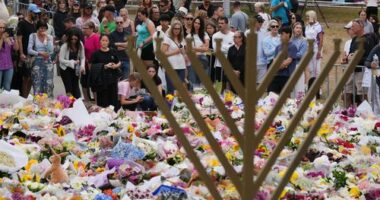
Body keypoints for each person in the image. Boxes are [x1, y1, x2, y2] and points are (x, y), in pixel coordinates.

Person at [344, 18, 377, 107]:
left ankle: (365, 114)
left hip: (362, 71)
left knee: (362, 94)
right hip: (351, 70)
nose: (352, 28)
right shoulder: (354, 39)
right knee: (347, 92)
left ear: (361, 26)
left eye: (354, 26)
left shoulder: (368, 39)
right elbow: (350, 53)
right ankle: (347, 112)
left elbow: (370, 57)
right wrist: (347, 58)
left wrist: (356, 59)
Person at [90, 34, 121, 110]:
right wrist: (104, 66)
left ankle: (114, 115)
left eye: (106, 40)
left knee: (113, 99)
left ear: (108, 42)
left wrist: (115, 66)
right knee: (103, 100)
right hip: (101, 81)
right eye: (103, 40)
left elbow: (119, 62)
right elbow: (92, 67)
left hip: (112, 79)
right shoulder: (96, 54)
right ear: (100, 42)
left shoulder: (113, 51)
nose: (104, 42)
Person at [16, 3, 40, 98]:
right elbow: (19, 38)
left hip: (33, 54)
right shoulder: (22, 23)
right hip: (25, 54)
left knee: (31, 77)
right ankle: (23, 97)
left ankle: (27, 97)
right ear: (30, 12)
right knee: (25, 77)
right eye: (35, 13)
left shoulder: (34, 24)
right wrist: (21, 53)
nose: (36, 15)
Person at [27, 21, 54, 97]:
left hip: (47, 61)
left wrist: (47, 39)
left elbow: (51, 50)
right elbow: (29, 50)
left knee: (49, 83)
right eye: (41, 28)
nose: (43, 30)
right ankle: (38, 103)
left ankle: (48, 103)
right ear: (38, 28)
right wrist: (40, 53)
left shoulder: (49, 37)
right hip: (37, 61)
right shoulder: (33, 36)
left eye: (45, 28)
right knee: (37, 83)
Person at [161, 20, 188, 94]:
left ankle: (179, 105)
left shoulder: (182, 39)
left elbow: (184, 52)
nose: (176, 30)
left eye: (178, 29)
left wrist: (184, 53)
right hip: (171, 66)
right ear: (172, 29)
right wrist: (175, 52)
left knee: (180, 89)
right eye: (175, 28)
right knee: (171, 89)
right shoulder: (167, 38)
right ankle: (169, 105)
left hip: (181, 66)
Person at [268, 26, 297, 94]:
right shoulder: (278, 47)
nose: (280, 36)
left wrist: (281, 65)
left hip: (286, 76)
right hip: (276, 75)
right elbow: (274, 61)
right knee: (271, 95)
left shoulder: (292, 46)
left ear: (288, 34)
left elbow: (288, 61)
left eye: (282, 34)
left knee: (285, 97)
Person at [59, 29, 85, 98]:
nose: (73, 41)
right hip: (65, 69)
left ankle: (77, 103)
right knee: (69, 88)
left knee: (76, 87)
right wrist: (71, 62)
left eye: (75, 39)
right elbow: (61, 59)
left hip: (75, 69)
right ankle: (70, 104)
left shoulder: (80, 44)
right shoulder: (65, 46)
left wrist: (82, 66)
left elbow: (82, 57)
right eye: (72, 39)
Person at [305, 10, 323, 99]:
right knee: (311, 70)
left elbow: (321, 39)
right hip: (308, 50)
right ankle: (311, 88)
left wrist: (319, 51)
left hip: (316, 49)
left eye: (308, 16)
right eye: (306, 17)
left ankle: (319, 90)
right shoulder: (307, 26)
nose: (307, 18)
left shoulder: (318, 26)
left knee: (317, 70)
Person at [187, 16, 209, 89]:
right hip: (192, 59)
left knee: (203, 82)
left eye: (199, 23)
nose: (196, 24)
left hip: (203, 59)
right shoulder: (189, 36)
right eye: (195, 22)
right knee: (192, 81)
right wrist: (200, 48)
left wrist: (194, 48)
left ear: (201, 25)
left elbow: (206, 48)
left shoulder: (205, 35)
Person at [212, 17, 234, 84]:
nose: (220, 25)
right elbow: (216, 50)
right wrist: (228, 47)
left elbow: (233, 50)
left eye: (222, 23)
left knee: (230, 85)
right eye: (219, 23)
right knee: (219, 86)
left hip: (231, 64)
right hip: (219, 65)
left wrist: (222, 46)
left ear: (227, 24)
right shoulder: (215, 35)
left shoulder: (233, 35)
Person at [83, 21, 100, 102]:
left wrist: (91, 62)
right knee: (84, 83)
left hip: (93, 65)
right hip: (85, 64)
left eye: (85, 28)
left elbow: (98, 52)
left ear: (91, 29)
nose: (84, 30)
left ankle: (97, 102)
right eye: (83, 28)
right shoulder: (85, 38)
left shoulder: (96, 37)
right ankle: (86, 102)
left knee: (94, 85)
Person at [290, 22, 308, 98]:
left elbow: (300, 54)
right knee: (291, 89)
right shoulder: (290, 40)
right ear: (293, 29)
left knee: (299, 89)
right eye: (297, 27)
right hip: (289, 66)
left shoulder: (304, 41)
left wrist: (289, 55)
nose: (299, 29)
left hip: (298, 65)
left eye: (300, 28)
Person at [0, 20, 19, 91]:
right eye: (0, 27)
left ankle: (5, 102)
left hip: (9, 66)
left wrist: (15, 37)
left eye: (3, 28)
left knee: (7, 87)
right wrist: (2, 38)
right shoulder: (2, 38)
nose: (2, 29)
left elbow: (16, 48)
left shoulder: (9, 38)